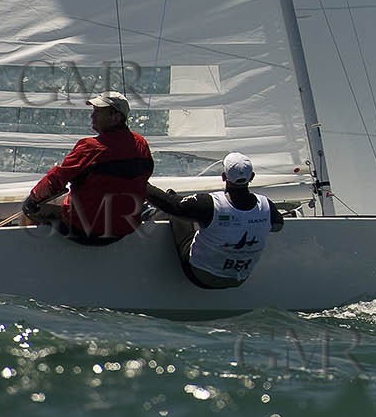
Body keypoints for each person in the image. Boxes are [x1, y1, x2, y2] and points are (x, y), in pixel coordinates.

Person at [21, 91, 153, 245]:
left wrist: (32, 199)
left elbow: (55, 180)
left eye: (98, 112)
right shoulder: (141, 143)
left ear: (115, 117)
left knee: (30, 208)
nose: (92, 116)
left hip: (85, 231)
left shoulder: (91, 148)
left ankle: (29, 252)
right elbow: (145, 175)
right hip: (123, 230)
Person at [145, 152, 284, 289]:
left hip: (200, 275)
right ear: (252, 177)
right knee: (203, 220)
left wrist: (141, 183)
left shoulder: (211, 204)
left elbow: (172, 205)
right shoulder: (267, 206)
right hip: (238, 279)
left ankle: (149, 215)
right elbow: (277, 226)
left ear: (224, 177)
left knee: (177, 212)